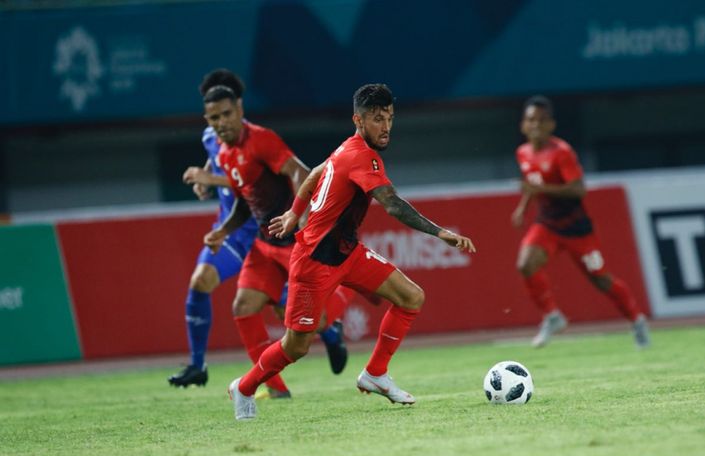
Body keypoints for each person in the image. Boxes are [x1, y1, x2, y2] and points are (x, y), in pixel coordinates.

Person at [226, 83, 476, 420]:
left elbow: (314, 173)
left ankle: (375, 373)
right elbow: (392, 204)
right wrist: (439, 232)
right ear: (358, 119)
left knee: (411, 297)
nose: (385, 126)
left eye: (389, 118)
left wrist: (294, 212)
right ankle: (243, 387)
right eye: (377, 118)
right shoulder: (361, 156)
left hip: (347, 254)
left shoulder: (348, 147)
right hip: (314, 261)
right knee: (296, 346)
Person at [168, 69, 347, 391]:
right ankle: (241, 378)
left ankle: (330, 329)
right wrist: (206, 189)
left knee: (289, 314)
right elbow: (229, 176)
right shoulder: (214, 141)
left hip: (264, 229)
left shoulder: (259, 139)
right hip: (240, 231)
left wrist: (302, 212)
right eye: (212, 114)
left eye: (225, 111)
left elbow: (280, 173)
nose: (219, 121)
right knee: (222, 294)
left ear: (238, 107)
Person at [510, 95, 650, 349]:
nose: (536, 125)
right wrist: (522, 209)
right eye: (531, 120)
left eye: (542, 121)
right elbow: (533, 185)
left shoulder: (561, 152)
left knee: (601, 279)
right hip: (547, 224)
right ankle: (552, 317)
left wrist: (540, 190)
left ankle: (637, 320)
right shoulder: (523, 153)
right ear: (523, 125)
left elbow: (578, 190)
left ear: (551, 125)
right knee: (525, 263)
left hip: (577, 230)